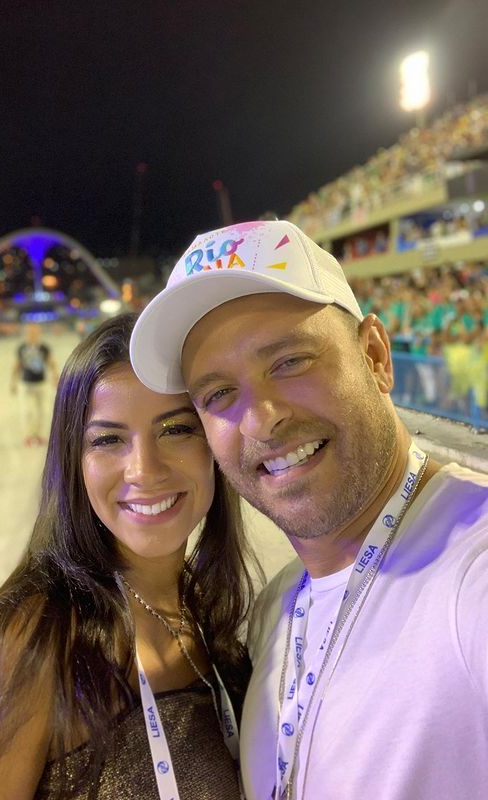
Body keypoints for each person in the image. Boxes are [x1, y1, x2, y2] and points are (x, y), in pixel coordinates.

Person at [130, 220, 488, 800]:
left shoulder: (471, 567)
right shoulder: (277, 610)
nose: (261, 419)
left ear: (375, 356)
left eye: (290, 361)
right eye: (218, 394)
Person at [0, 313, 257, 800]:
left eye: (176, 429)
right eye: (108, 439)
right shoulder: (31, 644)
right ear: (73, 461)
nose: (144, 470)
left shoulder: (208, 612)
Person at [10, 322, 58, 446]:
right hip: (26, 384)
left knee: (43, 411)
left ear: (39, 333)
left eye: (35, 332)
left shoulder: (44, 348)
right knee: (28, 412)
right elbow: (17, 366)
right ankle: (29, 436)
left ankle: (39, 435)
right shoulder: (22, 348)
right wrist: (13, 382)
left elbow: (51, 363)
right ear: (26, 334)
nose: (32, 334)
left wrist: (55, 376)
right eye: (30, 332)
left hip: (41, 384)